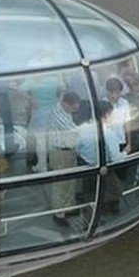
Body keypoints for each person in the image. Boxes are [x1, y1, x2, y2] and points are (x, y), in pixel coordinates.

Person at [46, 91, 81, 226]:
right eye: (73, 108)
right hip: (60, 152)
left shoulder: (65, 110)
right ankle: (59, 214)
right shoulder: (57, 114)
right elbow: (74, 131)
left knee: (71, 182)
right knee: (60, 185)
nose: (74, 111)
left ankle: (69, 207)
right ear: (65, 104)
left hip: (69, 150)